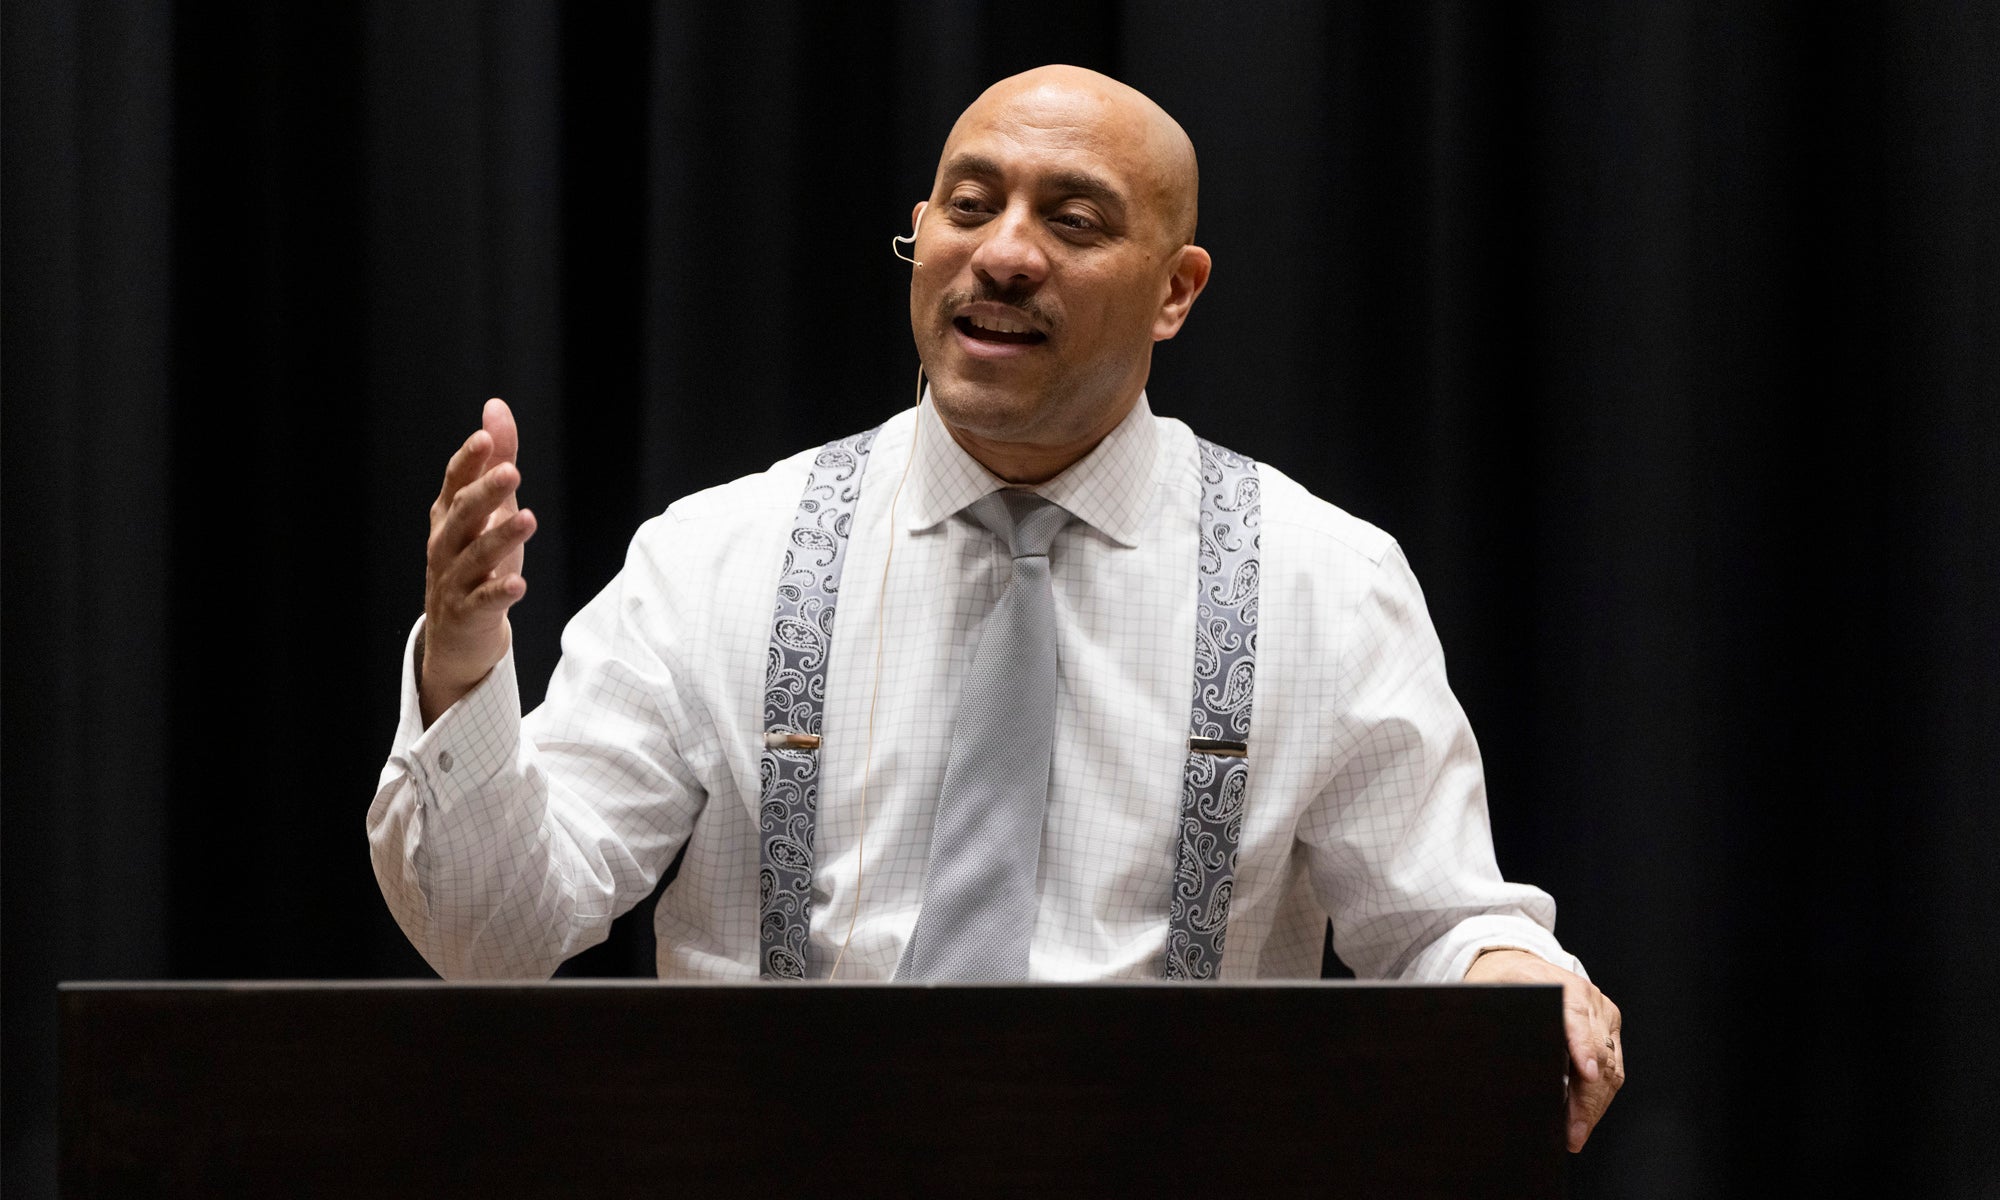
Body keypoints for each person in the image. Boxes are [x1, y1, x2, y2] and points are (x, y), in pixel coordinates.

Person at [368, 64, 1624, 1150]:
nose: (1006, 252)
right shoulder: (718, 558)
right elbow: (496, 937)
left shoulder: (1322, 579)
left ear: (1175, 290)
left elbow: (1440, 925)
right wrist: (467, 663)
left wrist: (1520, 980)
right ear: (921, 234)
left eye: (1072, 220)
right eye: (969, 207)